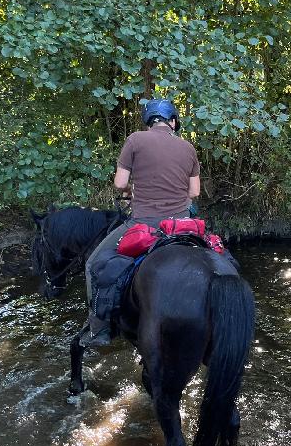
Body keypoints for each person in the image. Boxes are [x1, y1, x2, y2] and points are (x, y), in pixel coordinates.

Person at [81, 98, 201, 346]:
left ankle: (100, 329)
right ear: (173, 122)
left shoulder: (135, 140)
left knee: (93, 264)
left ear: (149, 122)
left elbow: (119, 183)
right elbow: (194, 192)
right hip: (181, 224)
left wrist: (130, 193)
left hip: (144, 222)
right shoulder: (188, 147)